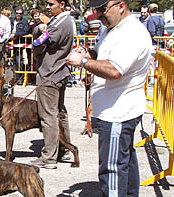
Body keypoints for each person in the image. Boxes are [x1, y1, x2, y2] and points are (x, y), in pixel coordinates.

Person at [66, 0, 152, 196]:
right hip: (113, 111)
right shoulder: (111, 27)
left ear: (121, 6)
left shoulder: (132, 33)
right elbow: (103, 53)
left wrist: (84, 62)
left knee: (112, 170)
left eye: (102, 9)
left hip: (118, 113)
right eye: (95, 10)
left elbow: (115, 70)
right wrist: (89, 52)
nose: (98, 15)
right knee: (124, 163)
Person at [28, 0, 74, 170]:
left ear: (62, 4)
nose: (47, 7)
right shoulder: (64, 21)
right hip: (59, 72)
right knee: (60, 113)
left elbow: (38, 45)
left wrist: (37, 31)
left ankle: (49, 157)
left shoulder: (58, 24)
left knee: (48, 116)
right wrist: (38, 28)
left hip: (50, 74)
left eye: (50, 3)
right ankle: (64, 148)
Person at [10, 6, 29, 83]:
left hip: (19, 44)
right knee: (10, 62)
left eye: (20, 14)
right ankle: (11, 78)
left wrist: (15, 35)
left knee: (19, 61)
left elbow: (25, 31)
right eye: (17, 13)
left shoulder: (24, 22)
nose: (18, 15)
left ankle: (19, 78)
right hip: (9, 43)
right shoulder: (11, 21)